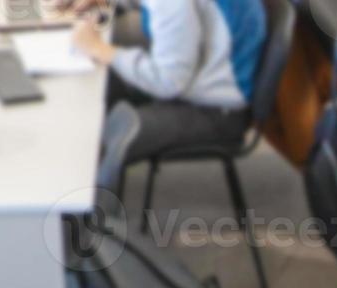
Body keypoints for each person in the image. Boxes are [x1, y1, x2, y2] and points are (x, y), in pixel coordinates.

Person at [70, 0, 267, 192]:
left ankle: (86, 214)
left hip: (216, 110)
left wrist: (100, 49)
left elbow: (168, 82)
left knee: (102, 137)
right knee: (102, 88)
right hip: (204, 84)